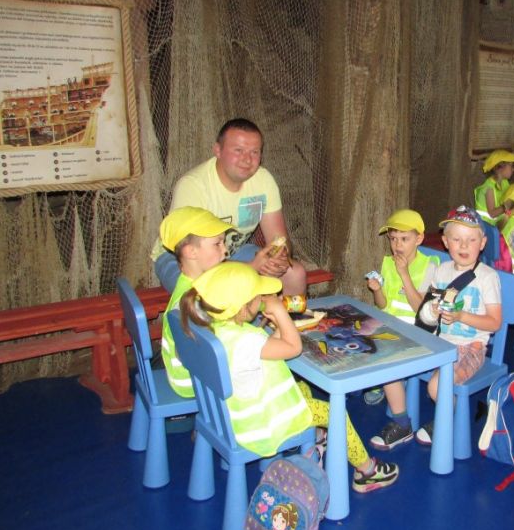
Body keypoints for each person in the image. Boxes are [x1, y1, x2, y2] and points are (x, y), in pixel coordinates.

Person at [178, 261, 399, 493]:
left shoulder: (217, 329)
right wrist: (281, 314)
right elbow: (294, 348)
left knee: (302, 387)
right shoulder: (246, 340)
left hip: (231, 414)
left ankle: (317, 436)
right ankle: (367, 471)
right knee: (335, 413)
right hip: (261, 424)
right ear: (243, 307)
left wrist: (278, 326)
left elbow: (263, 347)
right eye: (258, 295)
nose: (263, 298)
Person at [373, 206, 502, 449]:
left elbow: (495, 322)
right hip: (438, 341)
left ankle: (447, 417)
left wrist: (462, 316)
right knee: (388, 361)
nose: (463, 246)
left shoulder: (487, 277)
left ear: (482, 243)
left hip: (470, 347)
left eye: (471, 240)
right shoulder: (442, 272)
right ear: (445, 242)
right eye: (456, 239)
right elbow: (426, 316)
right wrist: (430, 312)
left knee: (436, 387)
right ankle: (402, 423)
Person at [153, 118, 306, 295]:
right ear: (218, 150)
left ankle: (286, 314)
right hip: (182, 259)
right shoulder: (193, 186)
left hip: (233, 251)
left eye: (254, 152)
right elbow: (194, 258)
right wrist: (251, 267)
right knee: (214, 292)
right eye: (238, 150)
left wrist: (278, 258)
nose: (247, 159)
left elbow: (278, 238)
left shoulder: (264, 180)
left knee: (294, 273)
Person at [365, 209, 440, 434]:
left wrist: (404, 274)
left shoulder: (430, 266)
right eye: (393, 239)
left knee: (385, 356)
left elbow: (421, 309)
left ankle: (401, 419)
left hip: (417, 333)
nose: (397, 245)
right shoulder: (388, 263)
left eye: (404, 239)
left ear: (419, 239)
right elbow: (382, 305)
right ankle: (384, 380)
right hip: (390, 327)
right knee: (357, 339)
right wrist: (377, 290)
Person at [157, 206, 232, 397]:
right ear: (191, 252)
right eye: (217, 244)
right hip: (193, 379)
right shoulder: (194, 301)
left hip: (185, 373)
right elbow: (204, 352)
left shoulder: (188, 282)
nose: (225, 250)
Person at [474, 149, 514, 225]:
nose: (513, 169)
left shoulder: (504, 182)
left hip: (498, 223)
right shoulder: (489, 188)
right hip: (486, 226)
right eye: (511, 166)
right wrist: (508, 205)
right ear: (500, 168)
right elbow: (492, 214)